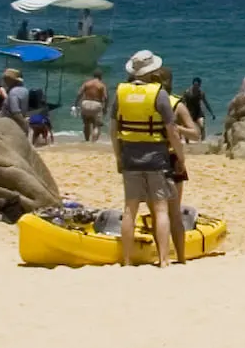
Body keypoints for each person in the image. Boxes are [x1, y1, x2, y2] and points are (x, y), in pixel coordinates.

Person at [110, 49, 186, 268]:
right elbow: (172, 131)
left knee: (129, 209)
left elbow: (113, 130)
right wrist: (181, 157)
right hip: (156, 158)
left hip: (129, 158)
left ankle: (126, 260)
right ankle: (163, 259)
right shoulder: (159, 94)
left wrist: (118, 157)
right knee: (161, 208)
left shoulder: (120, 93)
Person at [155, 67, 200, 263]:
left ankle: (164, 257)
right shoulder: (176, 104)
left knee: (159, 212)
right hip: (172, 159)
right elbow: (195, 133)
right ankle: (180, 257)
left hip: (154, 158)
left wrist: (173, 127)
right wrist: (176, 128)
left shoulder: (150, 103)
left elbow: (194, 133)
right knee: (173, 212)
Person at [75, 70, 109, 142]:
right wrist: (105, 108)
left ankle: (86, 141)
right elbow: (105, 97)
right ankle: (93, 143)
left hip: (85, 103)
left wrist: (75, 104)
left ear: (93, 76)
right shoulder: (102, 85)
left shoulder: (87, 83)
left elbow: (79, 93)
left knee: (86, 124)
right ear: (100, 77)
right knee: (96, 126)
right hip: (96, 104)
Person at [0, 68, 29, 134]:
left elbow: (16, 112)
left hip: (9, 126)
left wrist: (25, 126)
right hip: (18, 124)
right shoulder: (25, 90)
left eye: (5, 80)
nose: (4, 82)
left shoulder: (13, 92)